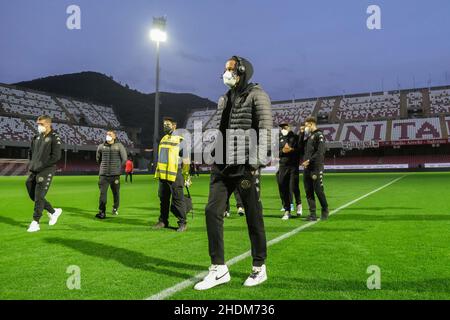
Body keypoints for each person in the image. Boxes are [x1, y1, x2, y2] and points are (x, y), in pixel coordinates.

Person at [194, 56, 273, 290]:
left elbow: (266, 129)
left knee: (252, 215)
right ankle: (218, 269)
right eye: (225, 69)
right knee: (212, 211)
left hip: (244, 164)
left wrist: (254, 163)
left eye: (230, 69)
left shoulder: (258, 95)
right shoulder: (225, 98)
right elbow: (222, 129)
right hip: (222, 164)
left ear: (241, 71)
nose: (225, 73)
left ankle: (259, 267)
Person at [26, 115, 63, 232]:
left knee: (39, 196)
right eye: (38, 124)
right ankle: (53, 211)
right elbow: (31, 152)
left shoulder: (54, 137)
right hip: (34, 169)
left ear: (47, 124)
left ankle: (35, 222)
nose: (38, 126)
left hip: (46, 170)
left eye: (40, 124)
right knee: (33, 195)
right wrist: (32, 164)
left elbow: (56, 156)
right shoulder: (36, 137)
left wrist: (42, 165)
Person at [153, 117, 190, 232]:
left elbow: (186, 160)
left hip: (175, 175)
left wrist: (186, 176)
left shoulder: (180, 140)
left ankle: (182, 223)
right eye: (164, 124)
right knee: (163, 200)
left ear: (174, 126)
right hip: (163, 176)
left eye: (167, 124)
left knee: (178, 200)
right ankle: (163, 221)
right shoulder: (163, 139)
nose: (165, 126)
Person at [300, 117, 329, 221]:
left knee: (318, 190)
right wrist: (302, 133)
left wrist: (309, 160)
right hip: (307, 168)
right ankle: (312, 214)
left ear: (311, 124)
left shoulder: (319, 135)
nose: (305, 126)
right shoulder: (309, 137)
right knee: (308, 191)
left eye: (306, 125)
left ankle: (325, 210)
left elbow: (320, 152)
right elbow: (300, 147)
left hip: (316, 167)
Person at [96, 130, 127, 219]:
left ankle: (115, 208)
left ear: (114, 136)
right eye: (107, 134)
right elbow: (98, 159)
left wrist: (118, 168)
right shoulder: (101, 146)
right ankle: (102, 212)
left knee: (116, 193)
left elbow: (124, 159)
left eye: (110, 134)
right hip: (103, 175)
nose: (107, 136)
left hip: (115, 175)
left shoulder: (119, 146)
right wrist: (103, 167)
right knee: (102, 194)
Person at [277, 123, 303, 220]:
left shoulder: (295, 137)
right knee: (283, 186)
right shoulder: (278, 138)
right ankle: (287, 210)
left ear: (290, 127)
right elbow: (275, 151)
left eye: (285, 127)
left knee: (293, 186)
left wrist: (291, 150)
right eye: (282, 127)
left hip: (293, 165)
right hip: (283, 165)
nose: (283, 128)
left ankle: (298, 204)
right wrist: (282, 151)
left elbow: (299, 150)